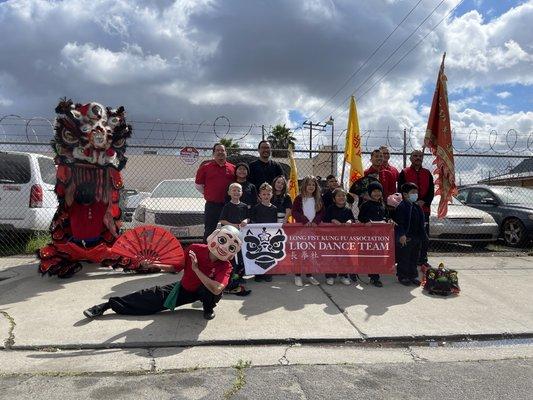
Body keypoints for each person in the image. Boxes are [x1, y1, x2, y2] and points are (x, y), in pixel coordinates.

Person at [83, 226, 243, 320]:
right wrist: (155, 264)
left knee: (209, 290)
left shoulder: (226, 266)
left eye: (231, 247)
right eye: (223, 240)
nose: (224, 247)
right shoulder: (194, 249)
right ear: (214, 236)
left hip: (205, 292)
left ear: (233, 253)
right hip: (185, 289)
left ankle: (208, 308)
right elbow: (176, 268)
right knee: (148, 296)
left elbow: (217, 288)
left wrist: (196, 270)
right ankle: (107, 305)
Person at [397, 150, 434, 270]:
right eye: (415, 156)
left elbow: (431, 191)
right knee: (409, 236)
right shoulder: (404, 172)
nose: (418, 158)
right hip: (409, 210)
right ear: (410, 158)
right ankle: (408, 260)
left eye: (420, 156)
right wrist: (411, 202)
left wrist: (424, 202)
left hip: (424, 209)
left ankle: (422, 259)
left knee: (423, 235)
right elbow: (401, 189)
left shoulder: (427, 173)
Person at [195, 143, 235, 243]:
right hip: (212, 206)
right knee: (209, 231)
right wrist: (208, 193)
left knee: (228, 232)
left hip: (228, 206)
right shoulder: (205, 167)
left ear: (226, 153)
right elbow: (198, 185)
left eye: (223, 150)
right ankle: (205, 255)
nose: (220, 152)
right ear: (213, 153)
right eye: (218, 150)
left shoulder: (233, 168)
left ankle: (226, 257)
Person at [291, 175, 324, 287]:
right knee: (300, 253)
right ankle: (297, 275)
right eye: (309, 184)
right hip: (301, 230)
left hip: (313, 230)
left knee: (310, 254)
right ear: (304, 185)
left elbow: (321, 213)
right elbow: (294, 212)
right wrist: (305, 221)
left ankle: (309, 275)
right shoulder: (299, 198)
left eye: (313, 184)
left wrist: (315, 221)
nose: (311, 186)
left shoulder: (318, 199)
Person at [219, 183, 251, 296]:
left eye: (238, 190)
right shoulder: (227, 206)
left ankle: (239, 276)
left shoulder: (244, 206)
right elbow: (222, 220)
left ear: (241, 193)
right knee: (232, 257)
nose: (236, 192)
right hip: (230, 237)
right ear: (229, 193)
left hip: (242, 236)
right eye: (234, 190)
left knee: (241, 257)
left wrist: (245, 221)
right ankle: (231, 277)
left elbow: (248, 218)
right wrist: (233, 225)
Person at [394, 182, 427, 286]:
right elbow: (399, 223)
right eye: (413, 192)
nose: (415, 194)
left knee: (414, 258)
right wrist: (401, 235)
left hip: (416, 237)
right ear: (405, 194)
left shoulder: (417, 207)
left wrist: (423, 236)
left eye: (416, 192)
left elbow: (421, 223)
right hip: (406, 238)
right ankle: (403, 276)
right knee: (404, 258)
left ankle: (413, 275)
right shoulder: (402, 207)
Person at [357, 181, 388, 287]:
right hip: (369, 236)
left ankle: (375, 275)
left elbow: (386, 217)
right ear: (370, 193)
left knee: (378, 256)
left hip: (380, 236)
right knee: (371, 256)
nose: (377, 193)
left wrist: (387, 221)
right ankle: (374, 277)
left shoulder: (383, 205)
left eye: (379, 191)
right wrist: (367, 221)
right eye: (374, 191)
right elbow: (361, 217)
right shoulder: (366, 205)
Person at [323, 188, 354, 286]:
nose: (341, 197)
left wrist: (350, 221)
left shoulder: (348, 210)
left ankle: (343, 275)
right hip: (331, 238)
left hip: (344, 239)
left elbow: (352, 219)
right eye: (339, 196)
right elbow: (325, 220)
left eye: (343, 195)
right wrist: (332, 220)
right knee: (331, 257)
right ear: (334, 199)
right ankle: (330, 276)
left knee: (343, 256)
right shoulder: (330, 208)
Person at [250, 182, 278, 282]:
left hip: (270, 236)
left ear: (272, 194)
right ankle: (258, 274)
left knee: (270, 254)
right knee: (258, 254)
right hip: (258, 236)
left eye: (268, 194)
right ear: (260, 195)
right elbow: (253, 221)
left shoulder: (274, 208)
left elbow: (275, 222)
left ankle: (268, 273)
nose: (266, 196)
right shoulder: (256, 208)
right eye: (264, 194)